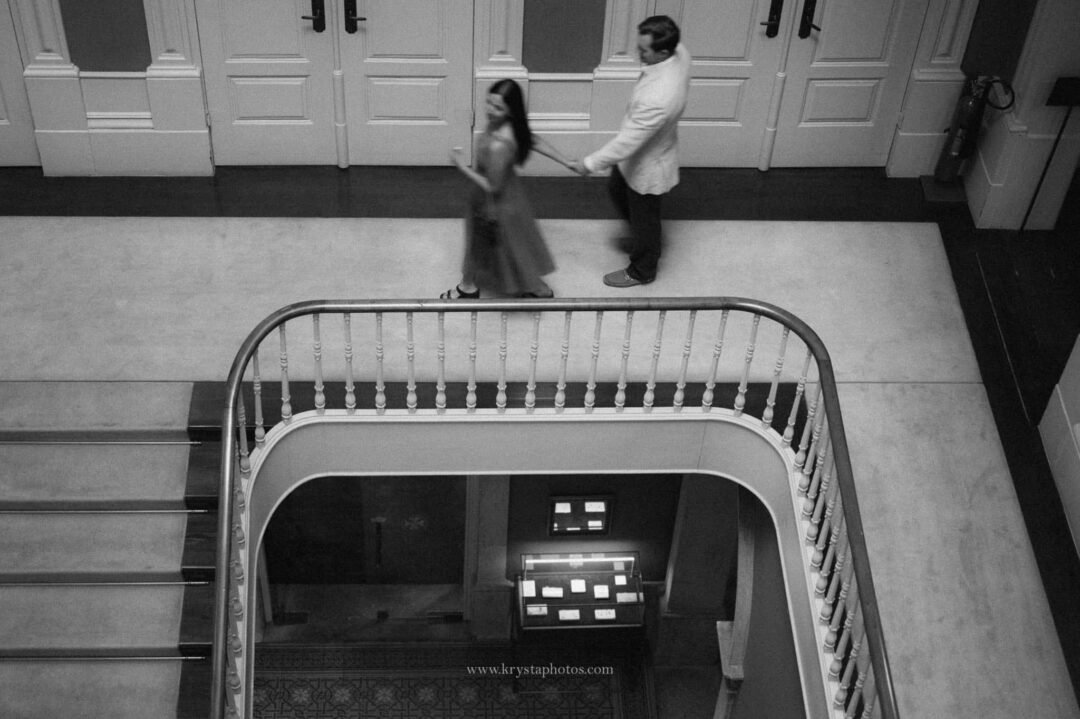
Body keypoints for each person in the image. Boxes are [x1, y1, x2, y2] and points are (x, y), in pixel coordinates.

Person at [570, 15, 691, 288]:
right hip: (638, 156)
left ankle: (642, 269)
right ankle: (642, 238)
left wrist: (589, 163)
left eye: (644, 51)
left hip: (649, 165)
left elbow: (628, 142)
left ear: (663, 52)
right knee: (617, 190)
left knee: (645, 216)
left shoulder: (660, 97)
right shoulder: (679, 52)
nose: (639, 54)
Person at [442, 79, 555, 299]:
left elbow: (492, 186)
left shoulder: (500, 143)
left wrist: (461, 166)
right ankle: (536, 287)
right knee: (512, 244)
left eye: (498, 107)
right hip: (509, 197)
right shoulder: (510, 127)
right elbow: (533, 140)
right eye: (489, 103)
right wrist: (567, 161)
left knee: (481, 244)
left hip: (493, 202)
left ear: (510, 110)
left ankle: (467, 287)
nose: (490, 110)